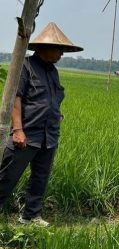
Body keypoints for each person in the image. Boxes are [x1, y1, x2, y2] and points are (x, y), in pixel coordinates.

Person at [0, 22, 83, 226]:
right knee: (8, 176)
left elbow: (51, 98)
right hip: (27, 134)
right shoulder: (25, 67)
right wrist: (18, 130)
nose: (61, 55)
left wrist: (56, 114)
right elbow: (15, 99)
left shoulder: (53, 72)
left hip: (49, 135)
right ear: (45, 48)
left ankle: (31, 216)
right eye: (59, 49)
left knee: (40, 177)